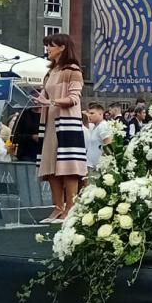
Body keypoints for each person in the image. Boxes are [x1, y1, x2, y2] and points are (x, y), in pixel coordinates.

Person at [35, 32, 86, 223]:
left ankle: (70, 208)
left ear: (63, 48)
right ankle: (58, 207)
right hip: (50, 122)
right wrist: (38, 100)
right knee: (50, 166)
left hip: (67, 123)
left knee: (68, 166)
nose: (47, 49)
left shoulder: (73, 70)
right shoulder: (50, 72)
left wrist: (51, 102)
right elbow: (45, 97)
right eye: (47, 45)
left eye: (51, 45)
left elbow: (74, 98)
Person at [83, 104, 114, 171]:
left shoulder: (103, 126)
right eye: (88, 113)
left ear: (100, 114)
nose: (89, 115)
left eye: (92, 113)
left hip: (97, 168)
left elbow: (109, 145)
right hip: (91, 165)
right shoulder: (95, 126)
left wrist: (102, 163)